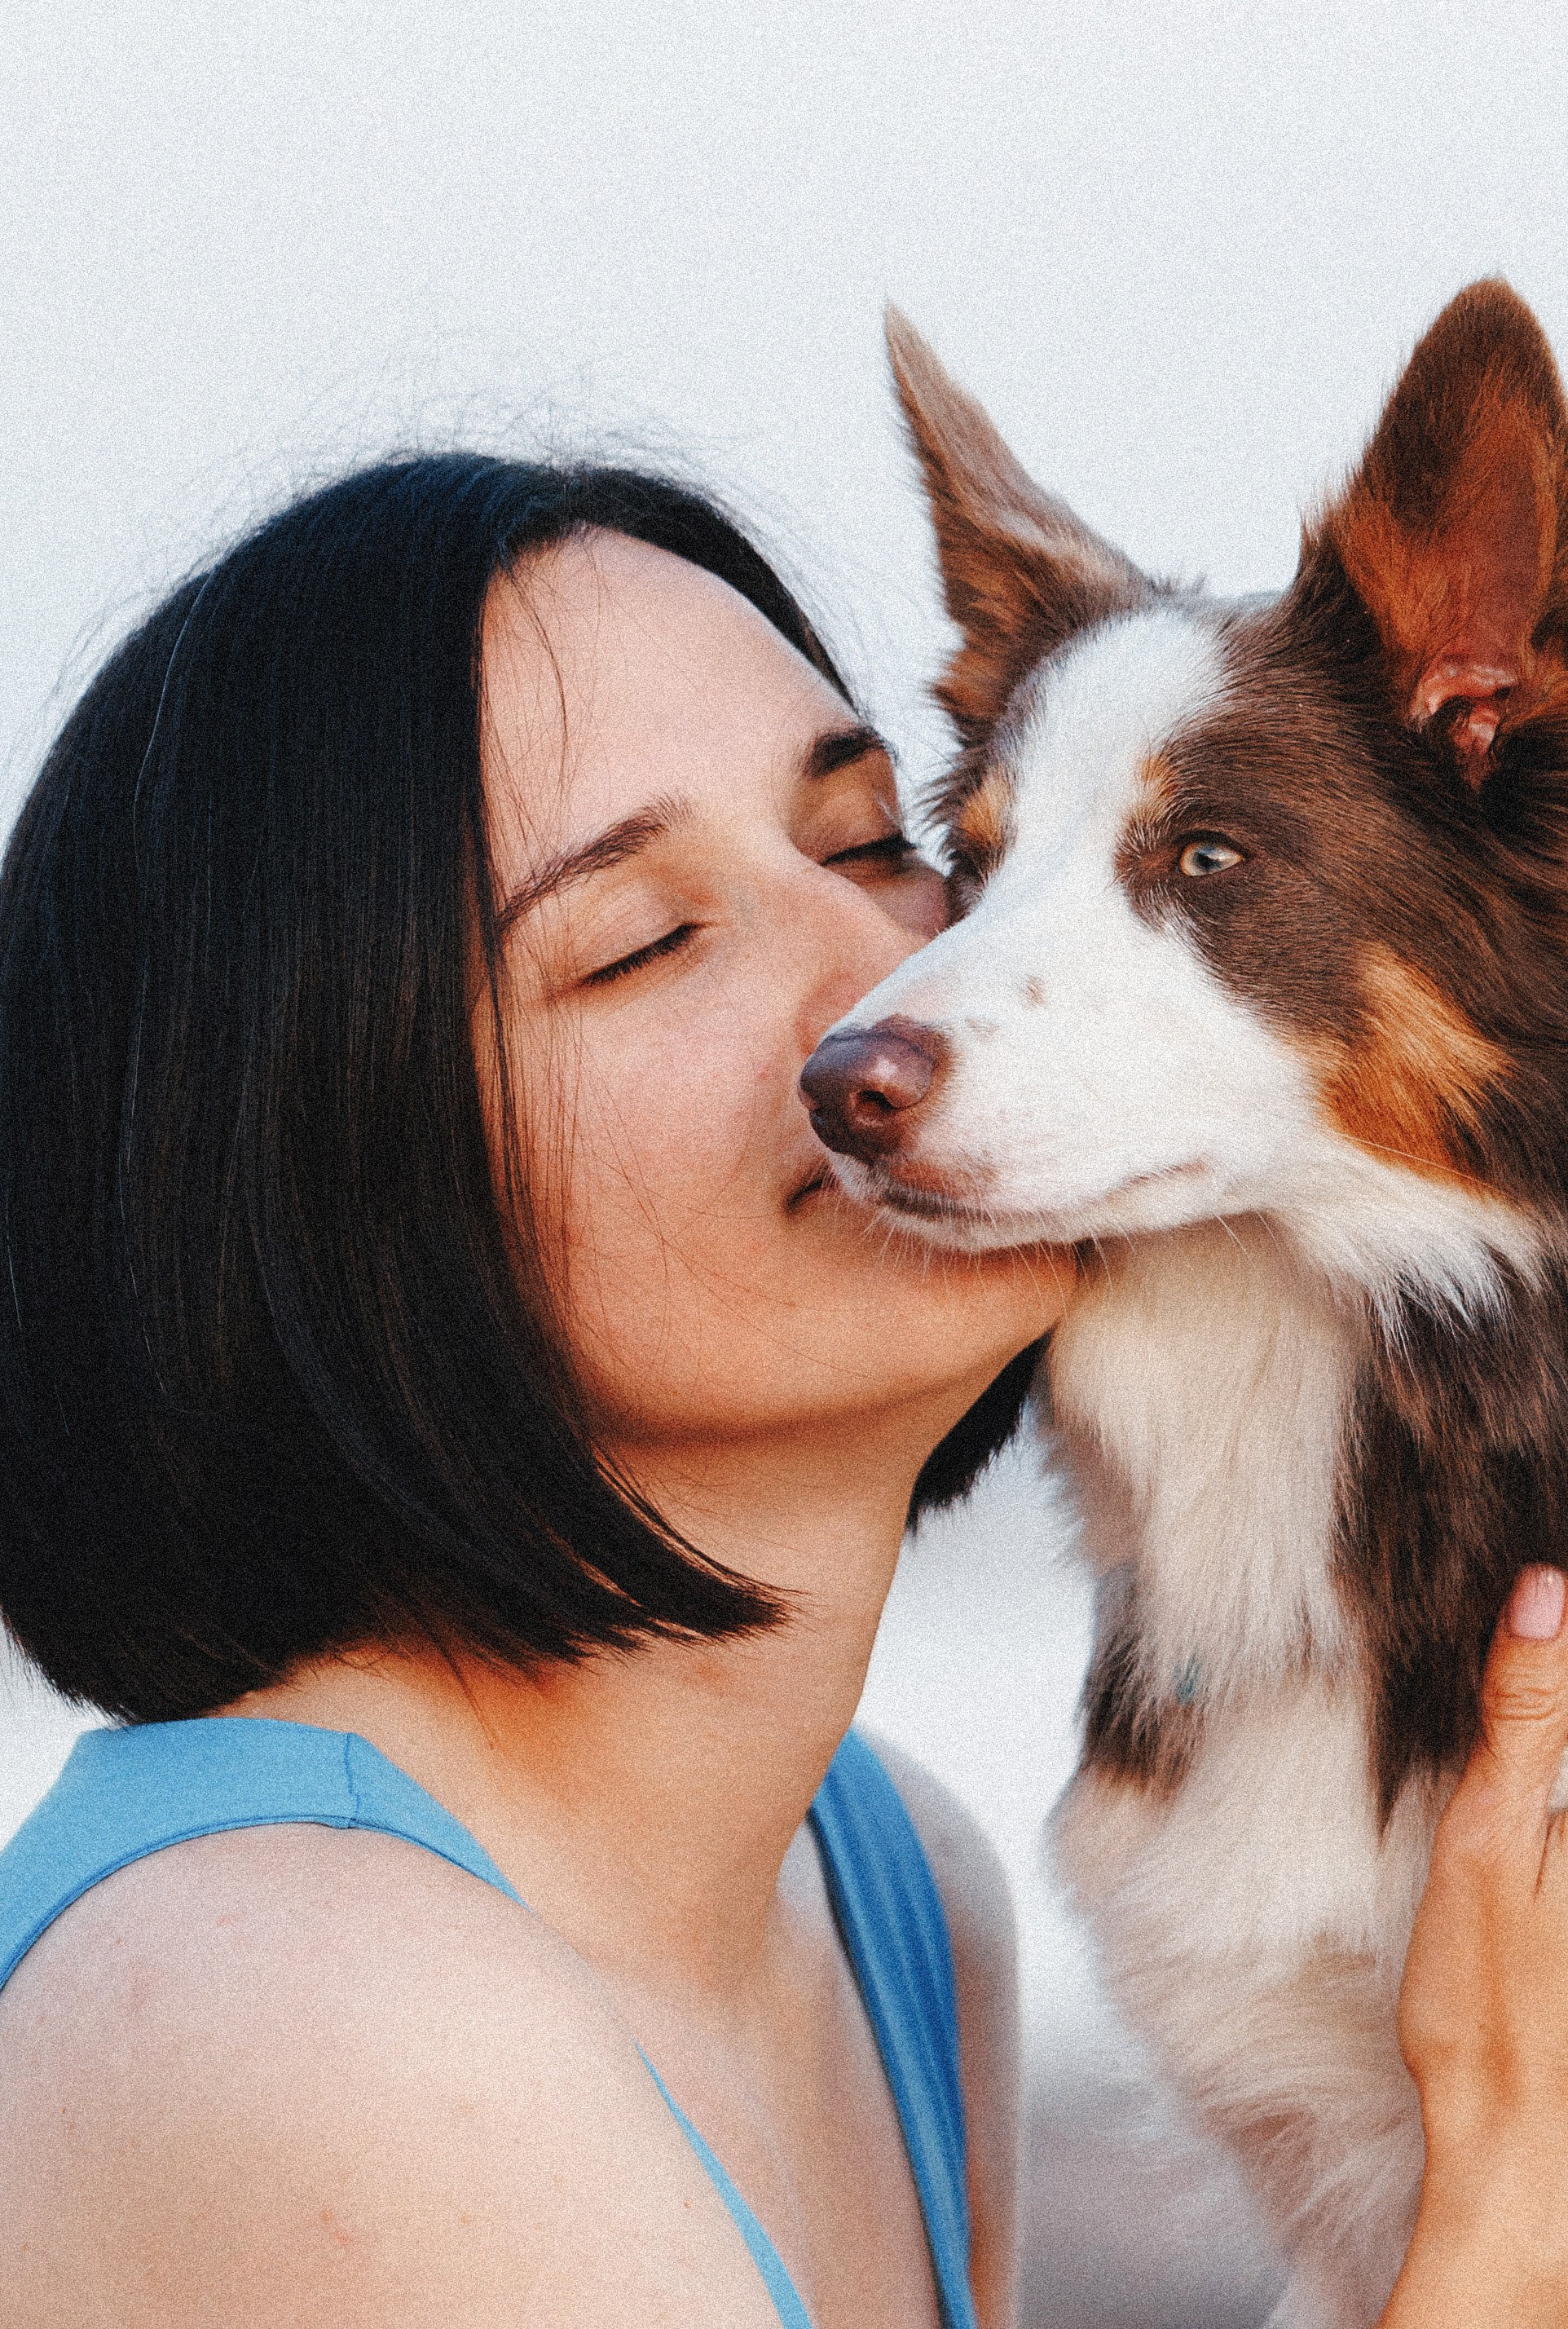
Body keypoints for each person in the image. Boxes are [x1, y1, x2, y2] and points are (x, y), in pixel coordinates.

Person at [0, 457, 1562, 2329]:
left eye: (880, 844)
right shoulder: (328, 2014)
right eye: (643, 939)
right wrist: (1501, 2221)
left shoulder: (884, 1882)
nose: (893, 982)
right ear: (324, 1182)